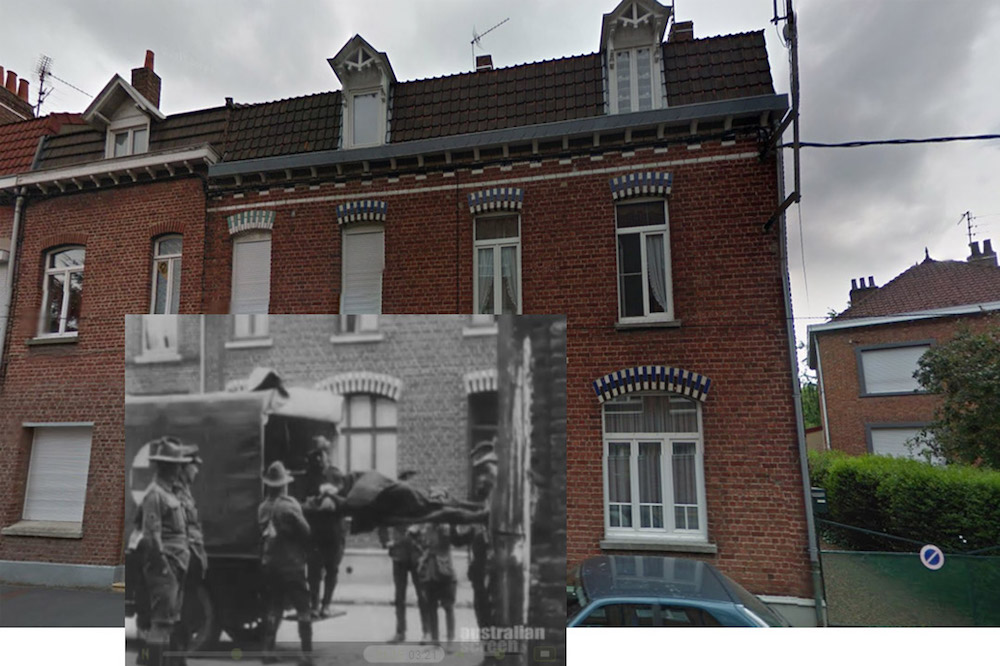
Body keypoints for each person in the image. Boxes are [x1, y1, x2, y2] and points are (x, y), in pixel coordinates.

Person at [138, 437, 193, 666]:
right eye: (178, 464)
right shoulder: (155, 495)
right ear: (168, 467)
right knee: (160, 625)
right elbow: (152, 536)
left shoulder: (170, 493)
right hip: (166, 567)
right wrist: (164, 569)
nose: (181, 469)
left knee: (169, 623)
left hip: (176, 565)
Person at [258, 460, 314, 666]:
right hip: (292, 565)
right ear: (284, 485)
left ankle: (267, 652)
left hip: (269, 563)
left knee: (274, 606)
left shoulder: (262, 508)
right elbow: (306, 531)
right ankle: (307, 655)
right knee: (303, 608)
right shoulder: (289, 506)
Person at [378, 470, 430, 644]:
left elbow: (428, 521)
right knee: (399, 596)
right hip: (399, 555)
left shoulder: (420, 503)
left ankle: (427, 632)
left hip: (417, 554)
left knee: (423, 595)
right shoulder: (393, 505)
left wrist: (419, 531)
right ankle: (400, 632)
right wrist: (386, 542)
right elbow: (382, 521)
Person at [300, 436, 348, 619]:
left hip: (334, 531)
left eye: (321, 455)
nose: (318, 459)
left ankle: (326, 604)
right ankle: (314, 605)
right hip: (315, 531)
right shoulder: (307, 477)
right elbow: (301, 502)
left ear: (327, 455)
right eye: (315, 455)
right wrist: (316, 502)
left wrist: (333, 496)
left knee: (332, 568)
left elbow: (346, 501)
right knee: (313, 569)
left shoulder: (336, 476)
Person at [453, 439, 498, 631]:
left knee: (493, 614)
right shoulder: (488, 499)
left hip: (493, 570)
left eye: (486, 472)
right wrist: (453, 514)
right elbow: (458, 540)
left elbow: (483, 514)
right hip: (479, 572)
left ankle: (496, 656)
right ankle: (489, 655)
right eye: (479, 473)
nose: (481, 479)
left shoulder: (500, 499)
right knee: (482, 614)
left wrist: (455, 510)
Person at [172, 445, 207, 665]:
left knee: (185, 617)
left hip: (189, 565)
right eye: (194, 466)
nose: (197, 471)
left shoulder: (185, 492)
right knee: (177, 619)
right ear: (184, 467)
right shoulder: (175, 494)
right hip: (180, 566)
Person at [416, 487, 458, 650]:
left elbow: (445, 542)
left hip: (444, 569)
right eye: (433, 501)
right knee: (431, 606)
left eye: (438, 501)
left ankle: (450, 641)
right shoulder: (427, 525)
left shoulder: (445, 525)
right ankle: (435, 640)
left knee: (448, 607)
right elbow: (424, 544)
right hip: (430, 571)